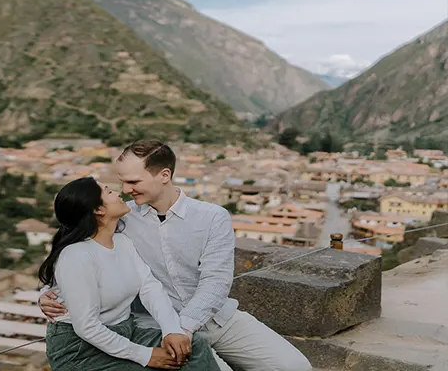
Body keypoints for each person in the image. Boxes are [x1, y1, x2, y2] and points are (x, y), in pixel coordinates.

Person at [40, 140, 313, 371]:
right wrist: (48, 293)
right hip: (154, 326)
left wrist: (181, 329)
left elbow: (216, 283)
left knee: (296, 367)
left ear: (164, 176)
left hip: (215, 320)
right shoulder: (122, 219)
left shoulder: (212, 217)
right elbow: (76, 242)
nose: (125, 190)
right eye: (121, 182)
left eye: (133, 181)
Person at [38, 176, 220, 370]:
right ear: (98, 210)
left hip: (125, 332)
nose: (118, 193)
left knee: (193, 346)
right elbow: (86, 327)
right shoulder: (76, 256)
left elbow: (150, 287)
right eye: (108, 192)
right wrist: (146, 355)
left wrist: (171, 331)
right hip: (79, 349)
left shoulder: (122, 243)